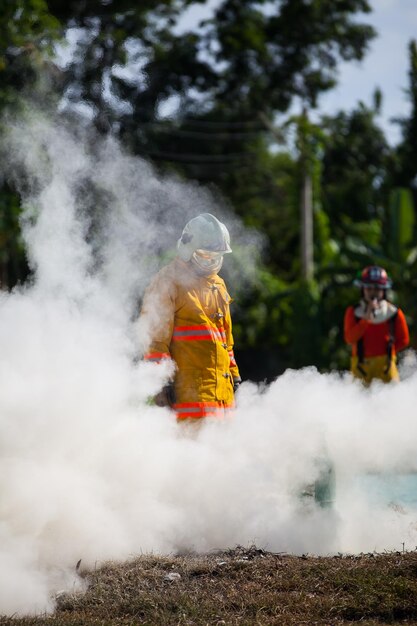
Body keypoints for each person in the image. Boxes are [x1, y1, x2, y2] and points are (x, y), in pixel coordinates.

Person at [139, 213, 241, 420]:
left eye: (217, 256)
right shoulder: (168, 282)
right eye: (206, 255)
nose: (212, 261)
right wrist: (160, 384)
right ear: (188, 249)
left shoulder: (218, 285)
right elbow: (154, 341)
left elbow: (225, 341)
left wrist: (233, 372)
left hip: (222, 400)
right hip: (187, 402)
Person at [344, 265, 409, 384]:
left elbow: (404, 340)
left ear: (383, 291)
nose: (373, 293)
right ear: (362, 289)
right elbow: (349, 338)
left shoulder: (394, 313)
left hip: (387, 367)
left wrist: (388, 351)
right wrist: (365, 321)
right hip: (360, 367)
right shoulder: (353, 312)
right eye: (369, 289)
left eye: (377, 289)